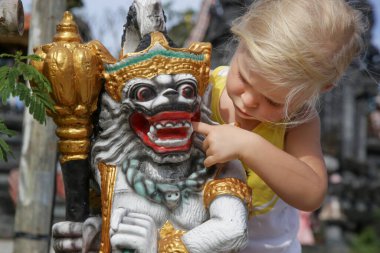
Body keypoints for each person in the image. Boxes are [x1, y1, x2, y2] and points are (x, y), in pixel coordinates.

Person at [192, 0, 366, 252]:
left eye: (273, 100)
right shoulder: (201, 87)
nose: (249, 101)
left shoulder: (298, 121)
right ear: (240, 38)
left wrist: (248, 146)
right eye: (244, 77)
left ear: (319, 89)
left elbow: (312, 193)